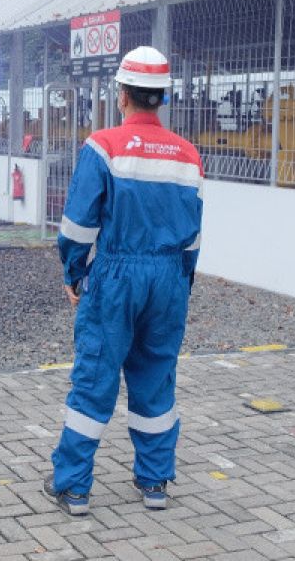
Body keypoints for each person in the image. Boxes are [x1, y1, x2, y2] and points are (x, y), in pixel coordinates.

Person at [43, 46, 204, 515]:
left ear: (122, 95)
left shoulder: (103, 146)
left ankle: (73, 487)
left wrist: (75, 274)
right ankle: (154, 484)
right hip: (169, 277)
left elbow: (77, 226)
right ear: (163, 98)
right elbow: (193, 236)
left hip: (116, 276)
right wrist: (180, 283)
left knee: (95, 377)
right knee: (155, 379)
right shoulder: (188, 157)